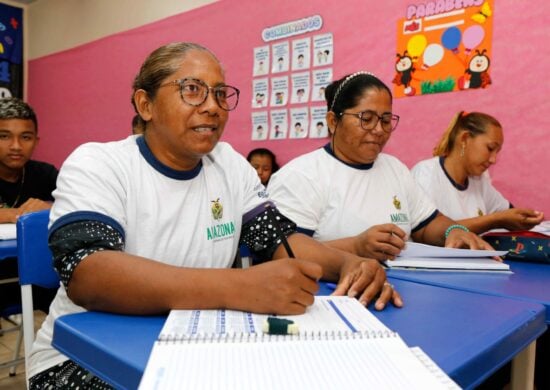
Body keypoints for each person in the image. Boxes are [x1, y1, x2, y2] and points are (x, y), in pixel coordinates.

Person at [28, 43, 401, 389]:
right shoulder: (98, 163)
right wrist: (240, 287)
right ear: (145, 105)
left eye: (221, 94)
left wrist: (350, 264)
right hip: (85, 357)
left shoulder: (229, 165)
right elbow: (87, 273)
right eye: (193, 90)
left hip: (199, 344)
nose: (212, 106)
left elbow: (280, 241)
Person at [268, 71, 493, 262]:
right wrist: (355, 247)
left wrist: (454, 230)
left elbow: (426, 223)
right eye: (366, 118)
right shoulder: (302, 175)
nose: (378, 130)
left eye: (385, 120)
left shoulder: (394, 168)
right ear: (333, 121)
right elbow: (282, 252)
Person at [411, 111, 543, 234]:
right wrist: (494, 220)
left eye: (497, 152)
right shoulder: (426, 174)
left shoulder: (479, 181)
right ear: (465, 139)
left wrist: (529, 218)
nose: (493, 159)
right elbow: (430, 232)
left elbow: (509, 213)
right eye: (490, 148)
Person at [0, 97, 58, 314]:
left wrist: (48, 208)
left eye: (25, 137)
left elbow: (80, 205)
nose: (16, 146)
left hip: (35, 278)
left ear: (36, 141)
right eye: (4, 136)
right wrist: (13, 214)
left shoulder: (44, 173)